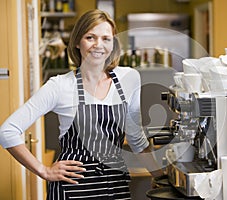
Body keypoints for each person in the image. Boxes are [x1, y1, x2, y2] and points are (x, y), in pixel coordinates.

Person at [0, 9, 164, 199]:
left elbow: (136, 139)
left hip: (115, 186)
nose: (98, 45)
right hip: (73, 188)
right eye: (90, 37)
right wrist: (44, 171)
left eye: (106, 38)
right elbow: (7, 131)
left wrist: (161, 177)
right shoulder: (60, 85)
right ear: (77, 42)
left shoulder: (129, 78)